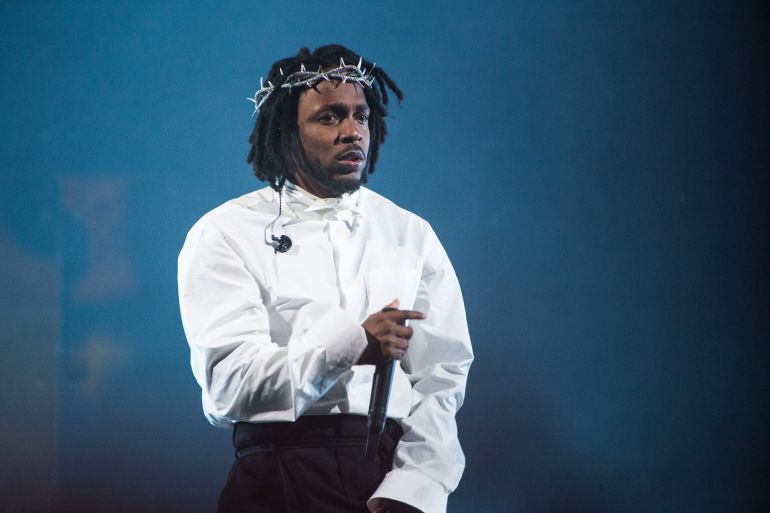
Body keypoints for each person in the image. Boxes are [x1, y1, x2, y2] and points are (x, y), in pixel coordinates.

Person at [178, 44, 473, 513]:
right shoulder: (225, 232)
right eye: (330, 117)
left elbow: (443, 379)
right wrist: (351, 347)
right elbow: (229, 388)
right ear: (285, 131)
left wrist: (417, 487)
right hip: (277, 471)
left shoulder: (410, 233)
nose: (353, 132)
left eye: (361, 116)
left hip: (387, 474)